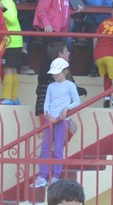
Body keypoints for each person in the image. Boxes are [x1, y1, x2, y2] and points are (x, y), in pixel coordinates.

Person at [34, 57, 81, 187]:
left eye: (57, 73)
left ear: (65, 72)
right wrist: (47, 115)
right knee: (45, 148)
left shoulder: (70, 85)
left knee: (58, 149)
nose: (54, 75)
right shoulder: (51, 86)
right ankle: (42, 176)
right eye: (53, 73)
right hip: (49, 120)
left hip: (62, 121)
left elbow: (77, 102)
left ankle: (55, 176)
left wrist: (67, 108)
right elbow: (46, 102)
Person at [0, 0, 25, 105]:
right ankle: (13, 98)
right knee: (13, 70)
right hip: (15, 40)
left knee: (8, 69)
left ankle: (6, 97)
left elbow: (12, 19)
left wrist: (2, 8)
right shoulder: (9, 1)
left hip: (10, 41)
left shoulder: (6, 2)